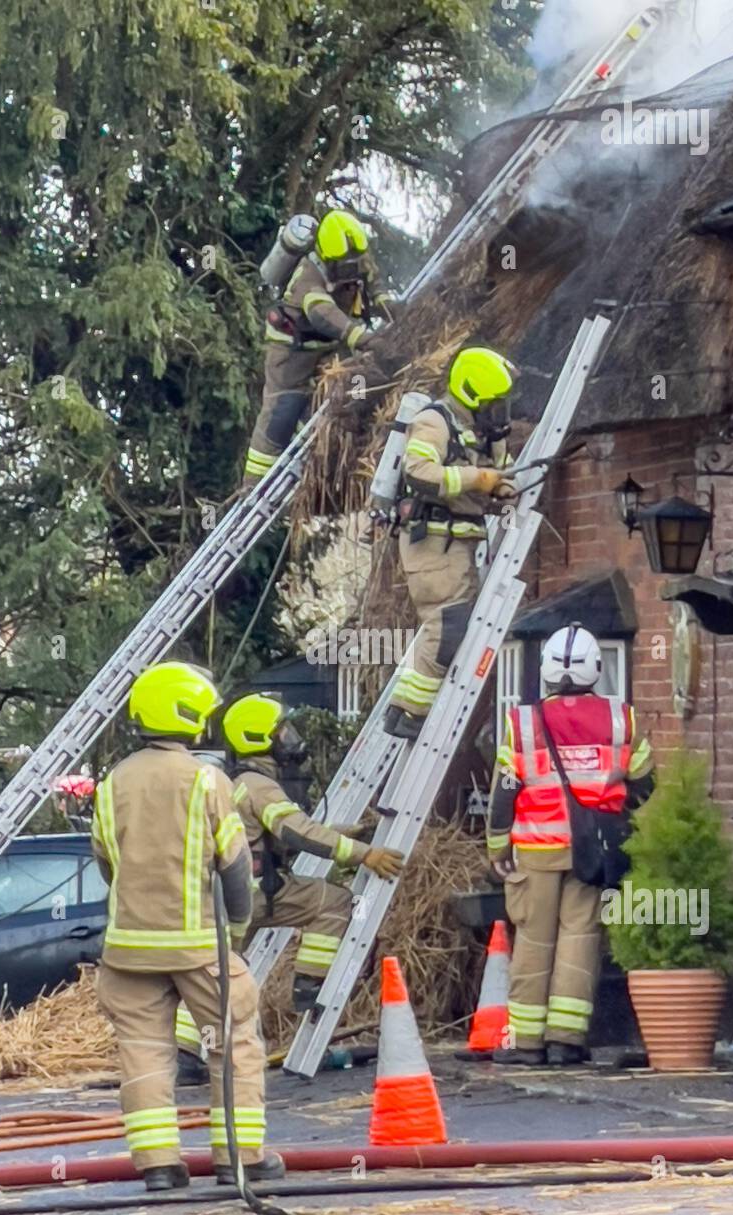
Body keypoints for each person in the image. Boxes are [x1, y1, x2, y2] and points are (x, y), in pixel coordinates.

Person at [91, 661, 284, 1190]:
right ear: (191, 716)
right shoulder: (207, 780)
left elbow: (109, 865)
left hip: (127, 951)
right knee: (233, 1042)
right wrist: (238, 934)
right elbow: (237, 869)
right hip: (200, 947)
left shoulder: (112, 784)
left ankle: (158, 1167)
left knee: (144, 1050)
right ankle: (240, 1159)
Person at [177, 693, 404, 1026]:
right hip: (254, 892)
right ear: (259, 737)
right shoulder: (258, 785)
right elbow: (296, 832)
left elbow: (273, 837)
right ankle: (309, 984)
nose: (292, 739)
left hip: (222, 894)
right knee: (336, 902)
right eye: (282, 732)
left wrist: (343, 832)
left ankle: (185, 1052)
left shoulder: (237, 782)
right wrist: (364, 854)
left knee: (220, 969)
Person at [485, 624, 655, 1067]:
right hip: (593, 852)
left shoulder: (521, 723)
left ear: (545, 671)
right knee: (580, 937)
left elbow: (505, 791)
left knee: (534, 939)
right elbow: (645, 783)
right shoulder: (622, 719)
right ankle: (566, 1040)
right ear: (595, 669)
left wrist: (497, 847)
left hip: (537, 849)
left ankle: (526, 1044)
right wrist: (613, 815)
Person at [385, 345, 519, 740]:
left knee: (448, 626)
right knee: (448, 625)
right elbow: (418, 472)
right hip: (433, 545)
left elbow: (499, 473)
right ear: (471, 393)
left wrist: (502, 486)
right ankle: (408, 714)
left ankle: (406, 710)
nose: (501, 413)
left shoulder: (483, 433)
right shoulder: (435, 421)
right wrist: (477, 480)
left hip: (457, 548)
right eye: (494, 404)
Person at [243, 210, 393, 485]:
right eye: (342, 264)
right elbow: (323, 314)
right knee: (281, 410)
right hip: (292, 352)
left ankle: (315, 452)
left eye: (354, 262)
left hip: (332, 347)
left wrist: (388, 306)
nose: (350, 269)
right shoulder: (307, 276)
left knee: (345, 386)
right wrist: (363, 338)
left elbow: (373, 282)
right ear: (325, 254)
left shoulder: (357, 255)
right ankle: (252, 486)